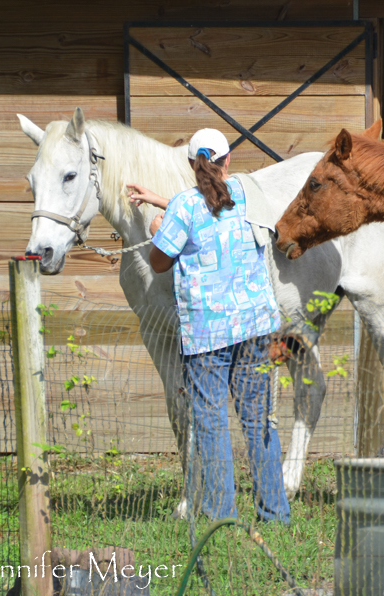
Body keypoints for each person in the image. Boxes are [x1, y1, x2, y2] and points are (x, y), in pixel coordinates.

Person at [127, 129, 290, 523]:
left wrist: (156, 228)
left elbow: (159, 261)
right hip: (255, 327)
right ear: (228, 160)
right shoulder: (245, 193)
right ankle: (275, 515)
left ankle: (221, 516)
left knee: (213, 423)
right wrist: (162, 201)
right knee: (259, 422)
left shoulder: (183, 208)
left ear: (189, 164)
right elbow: (216, 205)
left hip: (207, 335)